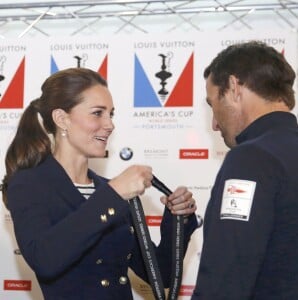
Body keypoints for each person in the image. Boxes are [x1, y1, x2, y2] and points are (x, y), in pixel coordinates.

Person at [1, 67, 199, 300]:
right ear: (62, 119)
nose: (110, 124)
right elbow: (44, 259)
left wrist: (178, 218)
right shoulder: (29, 185)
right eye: (97, 113)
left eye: (111, 114)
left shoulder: (109, 191)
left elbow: (160, 274)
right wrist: (114, 194)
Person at [191, 41, 298, 300]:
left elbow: (226, 278)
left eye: (213, 103)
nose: (215, 124)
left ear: (233, 87)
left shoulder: (250, 160)